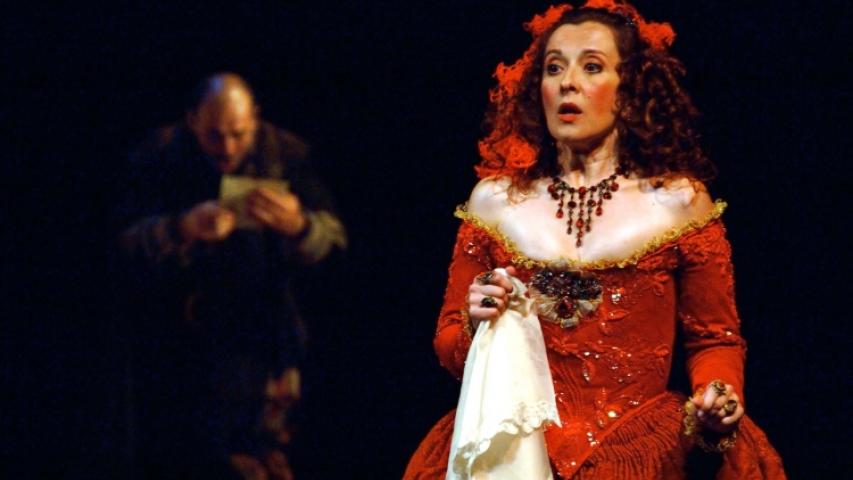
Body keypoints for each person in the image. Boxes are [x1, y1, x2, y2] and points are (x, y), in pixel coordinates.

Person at [404, 2, 785, 478]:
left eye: (591, 67)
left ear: (629, 91)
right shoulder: (494, 203)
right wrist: (475, 323)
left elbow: (714, 339)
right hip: (514, 444)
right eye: (554, 68)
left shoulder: (680, 202)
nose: (568, 82)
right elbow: (449, 345)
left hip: (642, 449)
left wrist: (717, 394)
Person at [117, 73, 346, 479]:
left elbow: (337, 243)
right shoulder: (160, 155)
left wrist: (298, 225)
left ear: (254, 118)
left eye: (238, 134)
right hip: (183, 344)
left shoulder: (286, 154)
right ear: (192, 120)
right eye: (214, 135)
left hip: (268, 337)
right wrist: (182, 227)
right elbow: (120, 246)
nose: (227, 148)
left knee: (268, 458)